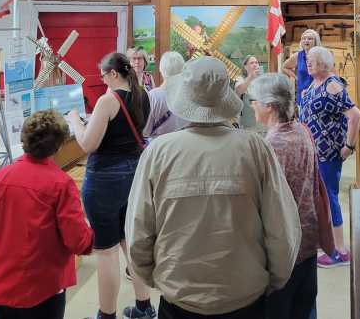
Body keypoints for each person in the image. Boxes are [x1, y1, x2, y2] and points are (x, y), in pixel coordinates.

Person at [125, 56, 302, 319]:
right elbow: (282, 228)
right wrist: (273, 279)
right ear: (225, 98)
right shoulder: (255, 148)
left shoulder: (158, 153)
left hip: (179, 297)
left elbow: (138, 231)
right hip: (245, 296)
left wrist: (157, 279)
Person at [0, 110, 93, 319]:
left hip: (4, 283)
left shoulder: (2, 176)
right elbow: (77, 241)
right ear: (58, 146)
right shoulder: (61, 184)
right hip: (44, 287)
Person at [67, 52, 155, 319]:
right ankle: (144, 307)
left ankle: (106, 315)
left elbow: (87, 144)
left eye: (104, 76)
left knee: (105, 253)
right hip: (133, 175)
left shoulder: (108, 101)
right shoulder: (143, 96)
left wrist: (74, 121)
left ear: (113, 74)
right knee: (130, 243)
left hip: (105, 180)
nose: (103, 80)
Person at [249, 73, 319, 319]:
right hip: (308, 239)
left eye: (254, 100)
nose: (251, 105)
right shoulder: (302, 130)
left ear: (269, 105)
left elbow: (266, 204)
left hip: (284, 250)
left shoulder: (272, 146)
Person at [299, 46, 360, 268]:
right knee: (319, 199)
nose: (309, 62)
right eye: (308, 59)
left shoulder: (333, 85)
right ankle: (326, 242)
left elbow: (355, 115)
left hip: (328, 154)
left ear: (325, 64)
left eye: (313, 60)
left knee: (330, 198)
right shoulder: (313, 85)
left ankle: (340, 251)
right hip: (314, 153)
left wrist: (349, 146)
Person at [144, 51, 188, 138]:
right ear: (182, 70)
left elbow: (146, 131)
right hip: (184, 145)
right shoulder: (189, 95)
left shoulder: (153, 96)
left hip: (159, 146)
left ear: (161, 69)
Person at [282, 29, 321, 105]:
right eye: (304, 38)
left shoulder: (321, 55)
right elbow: (284, 67)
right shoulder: (298, 56)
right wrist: (296, 77)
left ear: (315, 41)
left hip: (319, 95)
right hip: (303, 95)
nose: (306, 41)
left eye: (310, 39)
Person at [234, 55, 262, 127]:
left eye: (256, 62)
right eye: (252, 63)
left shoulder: (261, 80)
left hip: (260, 120)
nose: (255, 64)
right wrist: (250, 77)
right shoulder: (240, 79)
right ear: (245, 67)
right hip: (246, 121)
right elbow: (238, 91)